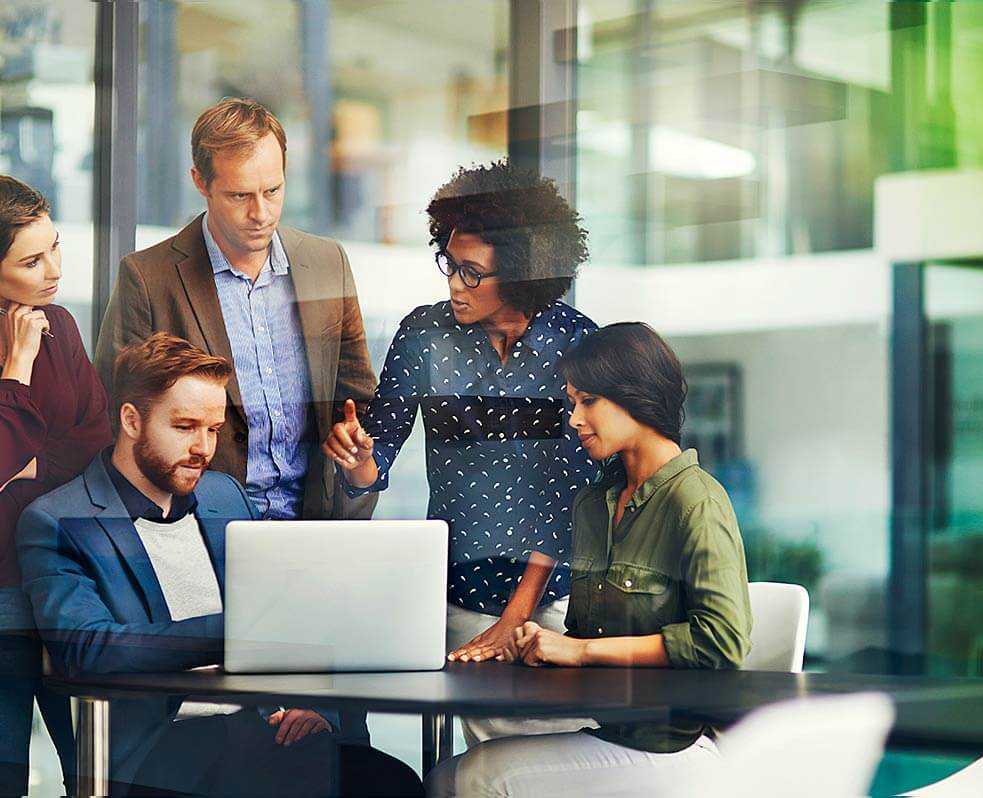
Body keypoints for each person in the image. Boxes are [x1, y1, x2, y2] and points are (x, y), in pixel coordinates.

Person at [17, 333, 423, 796]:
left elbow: (288, 615)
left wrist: (311, 706)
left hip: (260, 728)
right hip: (156, 753)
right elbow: (88, 648)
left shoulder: (223, 494)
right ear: (131, 420)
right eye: (185, 426)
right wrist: (238, 635)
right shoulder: (58, 519)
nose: (203, 448)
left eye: (212, 429)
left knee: (393, 783)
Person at [323, 160, 598, 744]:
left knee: (547, 754)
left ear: (522, 276)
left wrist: (513, 620)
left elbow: (573, 497)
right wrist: (358, 459)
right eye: (450, 264)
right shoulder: (424, 335)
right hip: (454, 594)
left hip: (552, 601)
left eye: (472, 273)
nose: (453, 285)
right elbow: (379, 456)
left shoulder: (577, 344)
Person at [426, 323, 753, 797]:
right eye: (572, 402)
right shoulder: (594, 503)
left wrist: (578, 651)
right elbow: (587, 636)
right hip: (610, 730)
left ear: (636, 397)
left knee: (475, 779)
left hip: (674, 748)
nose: (574, 419)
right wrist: (540, 646)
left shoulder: (696, 501)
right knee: (445, 777)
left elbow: (722, 642)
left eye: (589, 402)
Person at [93, 97, 376, 523]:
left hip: (314, 528)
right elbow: (116, 423)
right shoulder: (148, 279)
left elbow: (358, 398)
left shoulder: (326, 263)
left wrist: (354, 448)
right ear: (200, 182)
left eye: (273, 191)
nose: (260, 213)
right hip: (197, 531)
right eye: (239, 195)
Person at [0, 175, 112, 795]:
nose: (53, 270)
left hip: (63, 585)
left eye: (56, 248)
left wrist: (26, 464)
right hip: (1, 595)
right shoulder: (27, 343)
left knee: (93, 769)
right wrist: (14, 370)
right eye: (31, 260)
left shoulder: (60, 327)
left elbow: (93, 444)